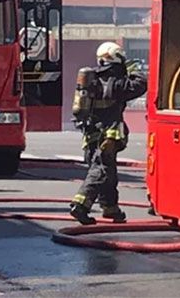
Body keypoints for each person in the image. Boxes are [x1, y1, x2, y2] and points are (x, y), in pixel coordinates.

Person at [69, 41, 147, 225]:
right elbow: (141, 84)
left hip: (90, 136)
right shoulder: (116, 82)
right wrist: (133, 67)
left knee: (108, 173)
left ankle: (110, 209)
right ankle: (80, 205)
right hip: (107, 137)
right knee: (102, 171)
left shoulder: (93, 80)